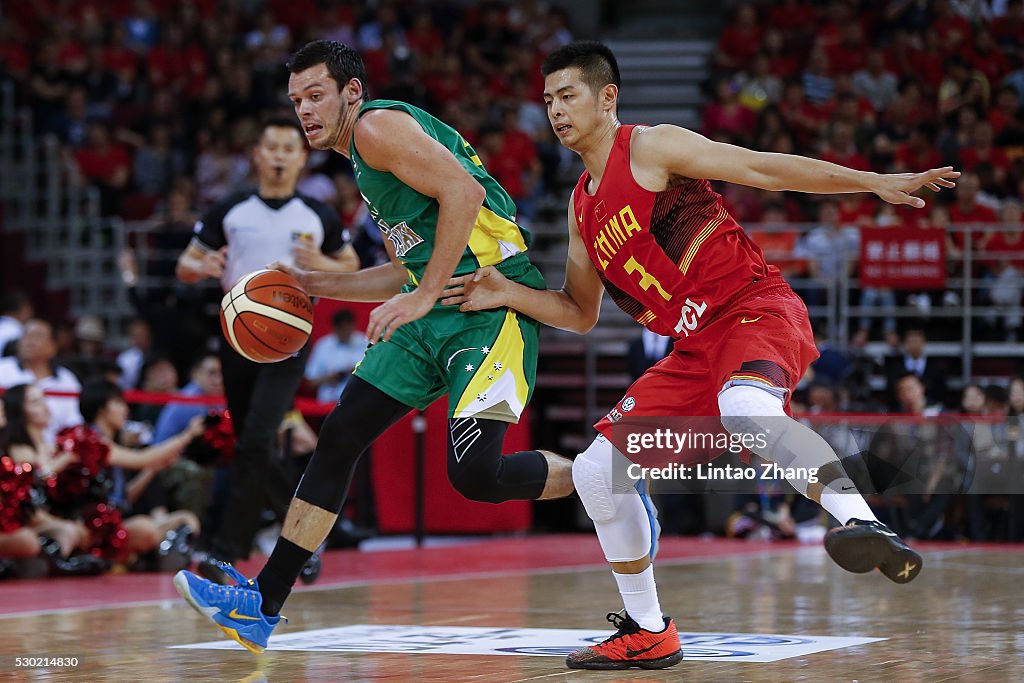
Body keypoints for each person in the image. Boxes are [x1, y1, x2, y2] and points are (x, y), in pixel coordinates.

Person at [442, 41, 958, 670]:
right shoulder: (580, 206)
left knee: (745, 406)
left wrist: (871, 181)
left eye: (568, 94)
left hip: (753, 308)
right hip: (694, 348)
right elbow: (579, 313)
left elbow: (765, 168)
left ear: (608, 98)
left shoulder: (652, 147)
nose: (555, 109)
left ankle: (862, 521)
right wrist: (508, 293)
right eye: (547, 98)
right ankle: (647, 629)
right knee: (597, 472)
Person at [173, 39, 575, 654]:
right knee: (339, 437)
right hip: (435, 306)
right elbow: (402, 270)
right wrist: (314, 285)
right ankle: (263, 603)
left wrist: (421, 296)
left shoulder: (376, 128)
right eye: (296, 100)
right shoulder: (363, 159)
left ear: (351, 93)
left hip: (490, 305)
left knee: (477, 475)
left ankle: (603, 480)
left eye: (315, 96)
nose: (304, 110)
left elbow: (463, 197)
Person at [175, 116, 358, 585]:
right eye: (271, 146)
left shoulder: (318, 214)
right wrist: (203, 265)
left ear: (302, 158)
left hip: (290, 342)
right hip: (237, 337)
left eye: (288, 148)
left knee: (257, 439)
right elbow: (186, 264)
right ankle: (302, 538)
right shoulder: (230, 208)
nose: (279, 155)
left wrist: (322, 264)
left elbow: (351, 262)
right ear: (257, 154)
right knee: (250, 445)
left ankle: (226, 551)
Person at [303, 309, 367, 403]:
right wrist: (331, 377)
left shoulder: (366, 343)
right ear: (335, 329)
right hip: (327, 402)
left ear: (353, 325)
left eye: (348, 327)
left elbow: (377, 375)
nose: (345, 332)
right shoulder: (323, 345)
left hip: (357, 401)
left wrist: (355, 371)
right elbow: (310, 382)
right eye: (341, 329)